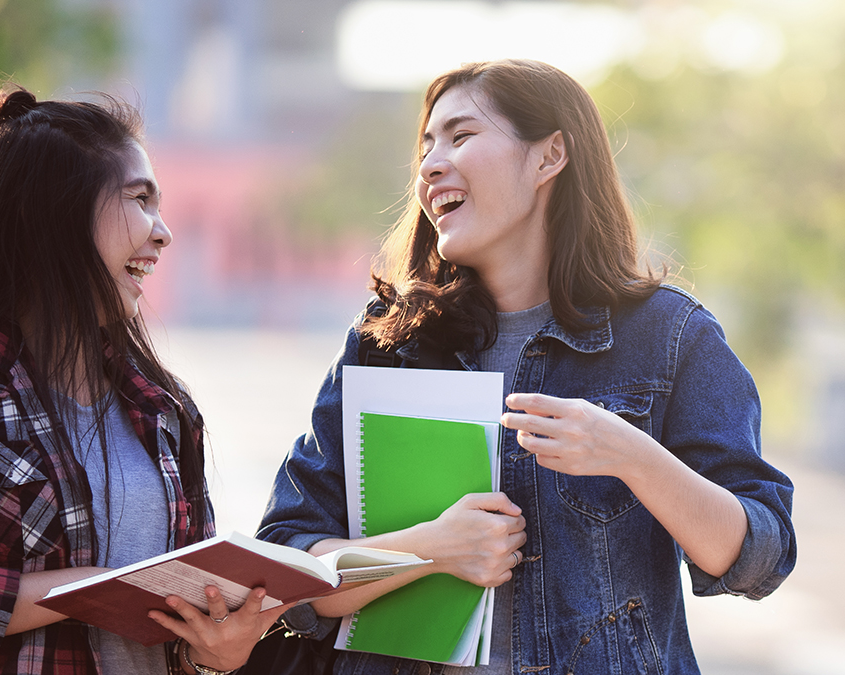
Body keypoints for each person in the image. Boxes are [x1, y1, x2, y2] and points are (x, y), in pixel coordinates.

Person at [257, 59, 796, 674]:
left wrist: (631, 454)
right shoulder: (388, 343)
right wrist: (426, 551)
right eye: (427, 145)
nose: (431, 165)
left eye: (460, 137)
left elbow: (760, 555)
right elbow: (286, 563)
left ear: (549, 157)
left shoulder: (668, 338)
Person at [0, 86, 283, 675]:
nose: (163, 233)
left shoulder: (165, 410)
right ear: (59, 213)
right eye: (140, 200)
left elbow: (182, 633)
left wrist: (217, 652)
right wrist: (77, 590)